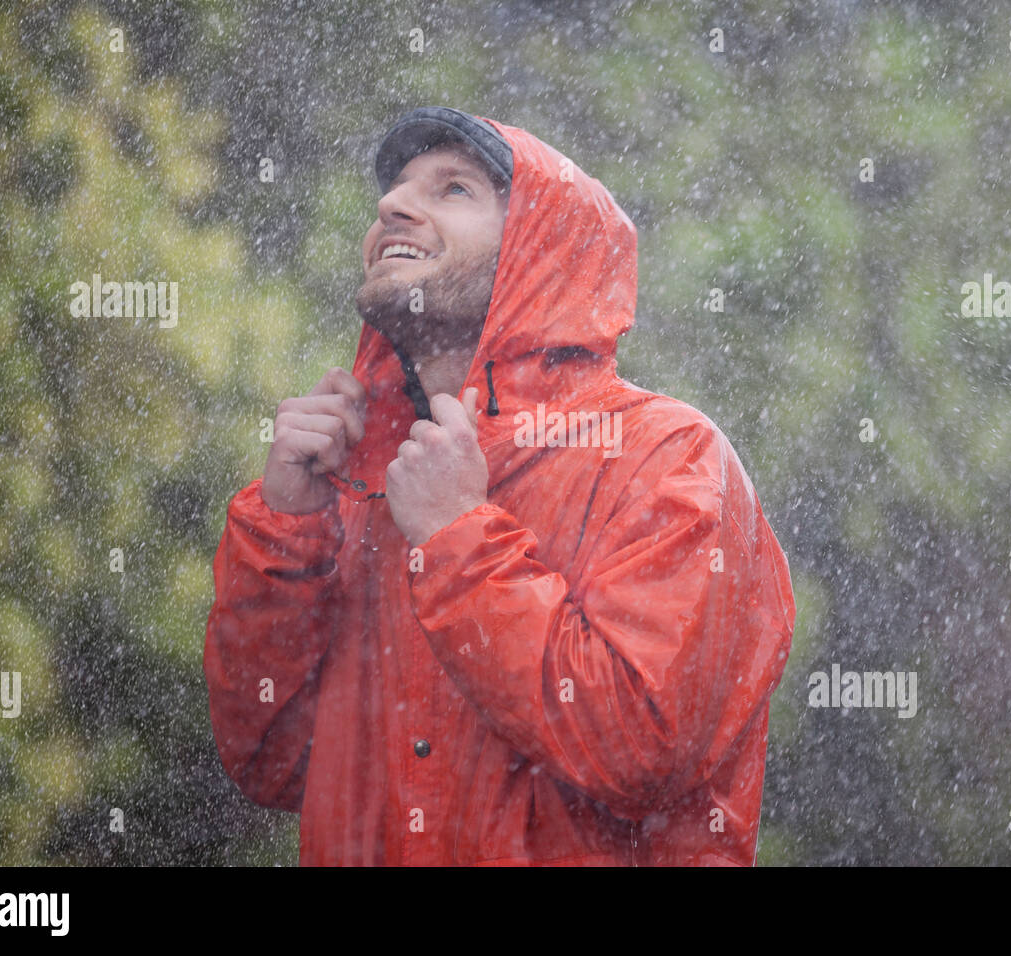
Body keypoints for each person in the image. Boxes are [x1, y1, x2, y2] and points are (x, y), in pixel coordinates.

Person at [204, 107, 796, 865]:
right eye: (395, 192)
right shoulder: (364, 487)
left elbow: (641, 744)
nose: (393, 205)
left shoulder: (669, 458)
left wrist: (458, 538)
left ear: (537, 254)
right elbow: (271, 759)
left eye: (453, 189)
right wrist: (287, 528)